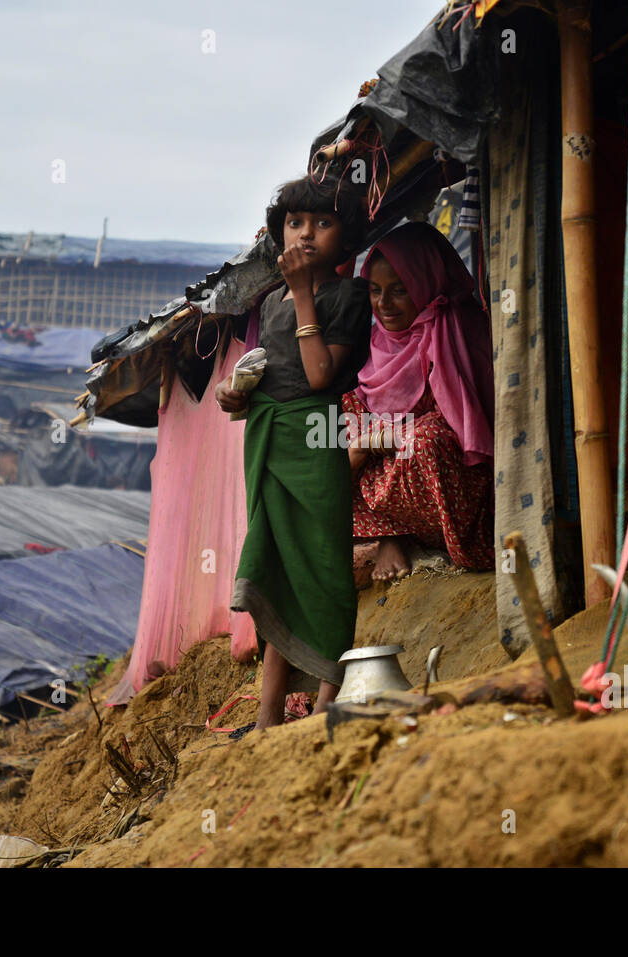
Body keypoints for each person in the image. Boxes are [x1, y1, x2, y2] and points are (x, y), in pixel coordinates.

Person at [216, 174, 371, 733]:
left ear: (345, 238)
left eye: (323, 224)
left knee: (325, 567)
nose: (306, 235)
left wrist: (305, 293)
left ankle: (327, 705)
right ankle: (267, 718)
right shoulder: (273, 302)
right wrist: (232, 393)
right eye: (295, 223)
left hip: (316, 439)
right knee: (278, 573)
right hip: (268, 440)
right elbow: (270, 375)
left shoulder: (347, 296)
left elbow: (318, 375)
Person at [343, 221, 494, 582]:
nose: (384, 304)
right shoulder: (372, 343)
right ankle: (390, 535)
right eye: (375, 291)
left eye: (399, 290)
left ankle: (456, 544)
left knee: (426, 441)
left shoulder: (454, 327)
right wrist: (366, 442)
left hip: (452, 487)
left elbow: (461, 425)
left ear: (426, 283)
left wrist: (373, 441)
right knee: (323, 434)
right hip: (390, 477)